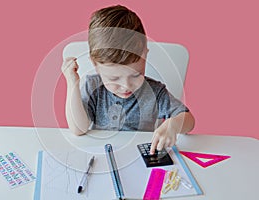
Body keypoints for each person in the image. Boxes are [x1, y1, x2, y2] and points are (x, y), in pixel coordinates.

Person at [61, 5, 195, 154]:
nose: (126, 86)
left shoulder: (155, 91)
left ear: (145, 55)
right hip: (102, 155)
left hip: (139, 157)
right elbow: (78, 129)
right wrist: (72, 83)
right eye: (114, 78)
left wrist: (173, 124)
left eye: (136, 75)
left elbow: (189, 120)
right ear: (95, 65)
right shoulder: (92, 86)